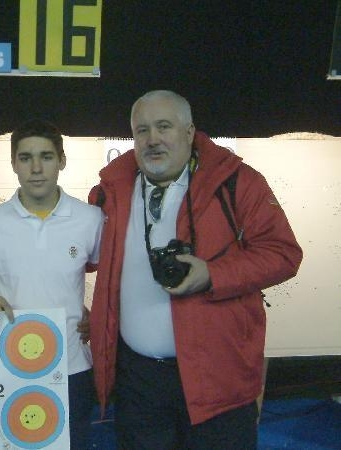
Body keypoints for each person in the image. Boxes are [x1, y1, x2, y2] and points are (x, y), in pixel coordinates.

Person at [89, 90, 303, 449]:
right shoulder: (112, 190)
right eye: (142, 130)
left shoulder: (238, 182)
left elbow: (283, 253)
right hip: (137, 382)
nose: (152, 139)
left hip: (218, 379)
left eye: (164, 127)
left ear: (189, 132)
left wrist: (213, 275)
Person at [0, 119, 103, 449]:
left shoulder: (91, 220)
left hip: (72, 365)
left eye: (46, 156)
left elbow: (110, 281)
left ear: (62, 161)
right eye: (26, 158)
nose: (36, 167)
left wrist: (93, 315)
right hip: (10, 368)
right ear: (14, 163)